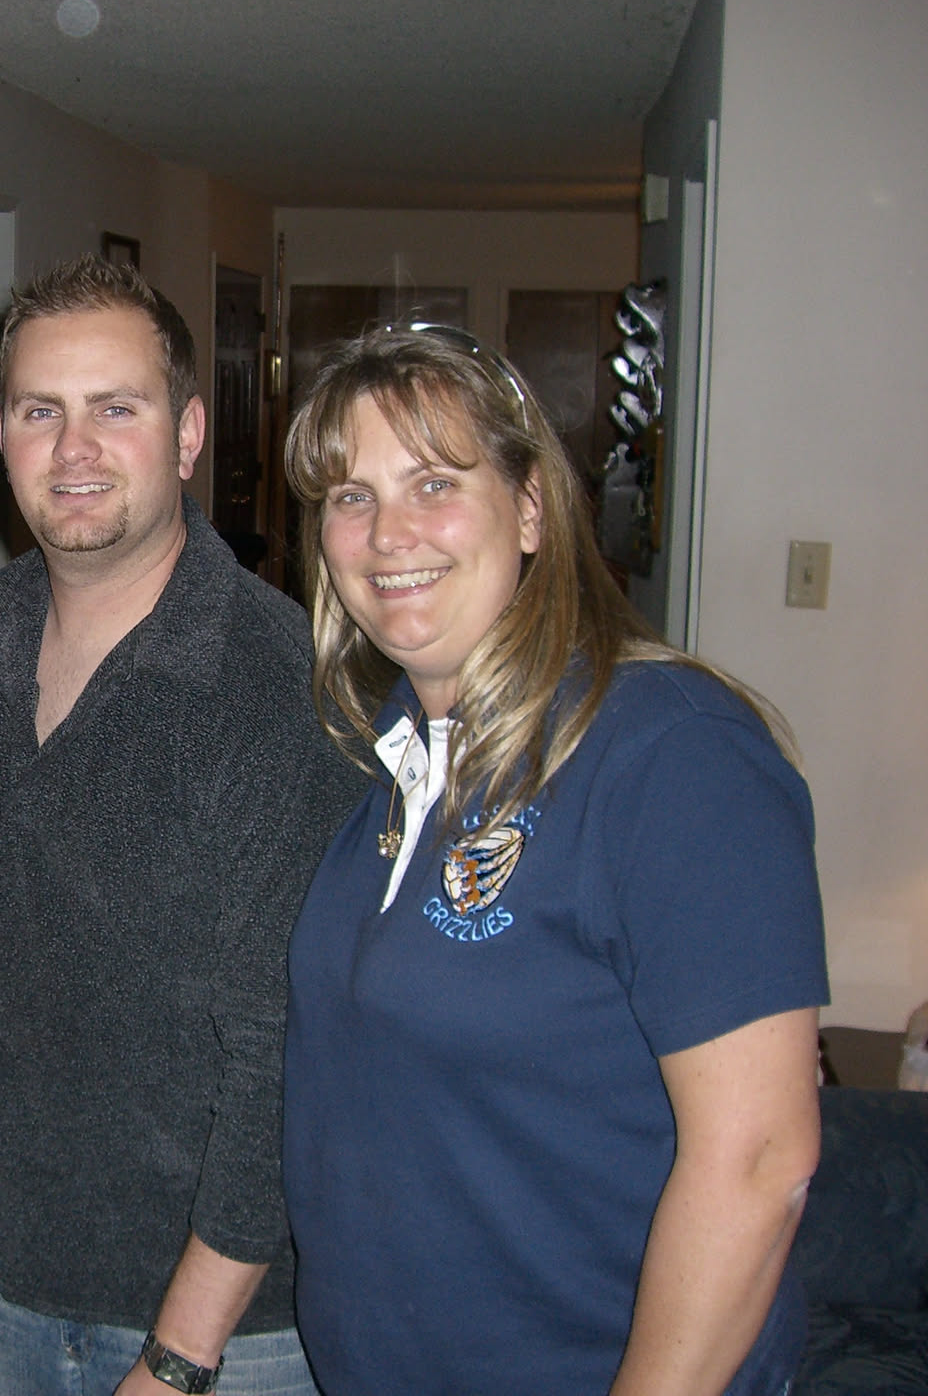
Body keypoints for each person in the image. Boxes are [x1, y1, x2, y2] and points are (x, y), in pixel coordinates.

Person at [279, 323, 827, 1396]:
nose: (388, 533)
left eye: (435, 483)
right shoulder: (394, 761)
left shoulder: (669, 751)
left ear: (530, 507)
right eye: (351, 496)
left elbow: (762, 1160)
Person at [0, 255, 363, 1396]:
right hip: (4, 1273)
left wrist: (179, 1358)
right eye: (40, 412)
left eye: (116, 409)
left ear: (187, 435)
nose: (73, 450)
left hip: (225, 1328)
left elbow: (283, 1055)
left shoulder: (274, 684)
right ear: (1, 435)